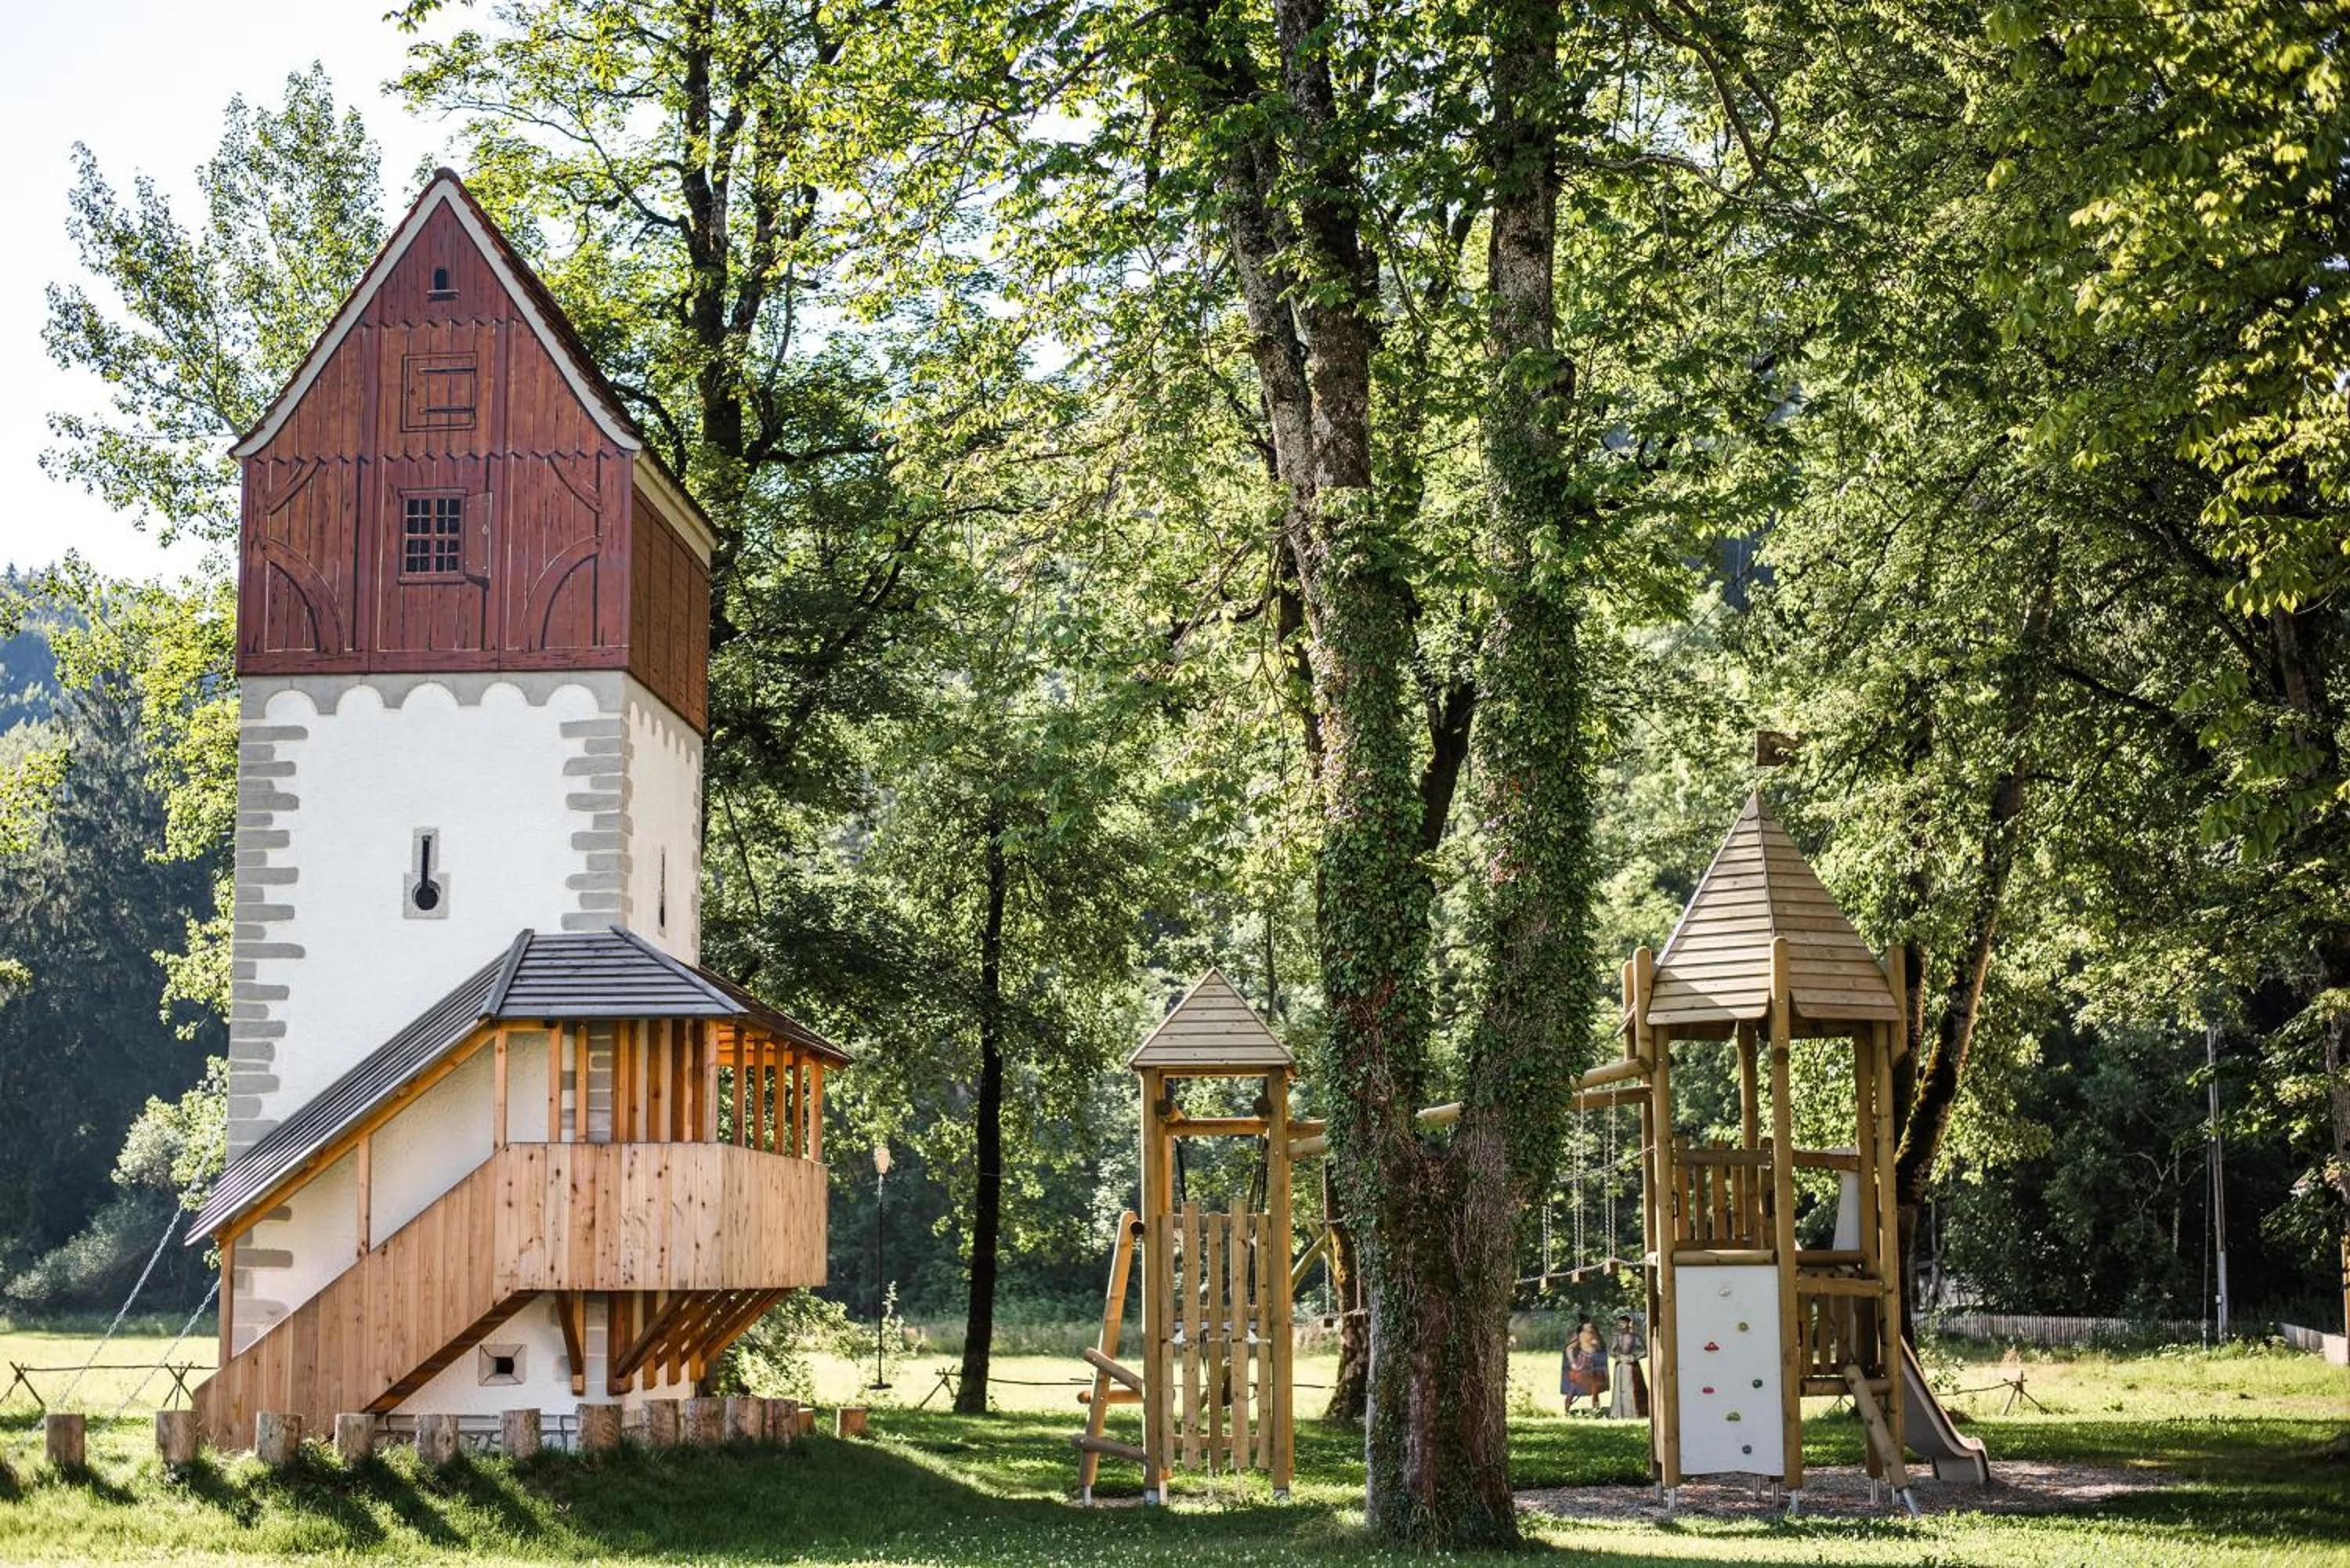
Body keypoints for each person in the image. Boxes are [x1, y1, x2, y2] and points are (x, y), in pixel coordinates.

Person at [1560, 1317, 1608, 1414]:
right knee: (1575, 1386)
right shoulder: (1579, 1336)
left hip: (1595, 1364)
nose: (1589, 1326)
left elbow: (1601, 1348)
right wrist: (1573, 1363)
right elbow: (1569, 1349)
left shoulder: (1596, 1335)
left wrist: (1596, 1345)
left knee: (1596, 1388)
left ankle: (1596, 1410)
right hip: (1583, 1363)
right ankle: (1567, 1409)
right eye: (1587, 1324)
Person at [1609, 1312, 1650, 1419]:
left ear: (1628, 1324)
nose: (1621, 1325)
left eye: (1623, 1323)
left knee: (1632, 1388)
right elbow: (1611, 1351)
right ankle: (1619, 1413)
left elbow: (1645, 1351)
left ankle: (1633, 1412)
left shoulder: (1635, 1337)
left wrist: (1634, 1357)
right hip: (1620, 1366)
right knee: (1620, 1388)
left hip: (1632, 1366)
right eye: (1620, 1323)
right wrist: (1618, 1357)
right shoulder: (1616, 1337)